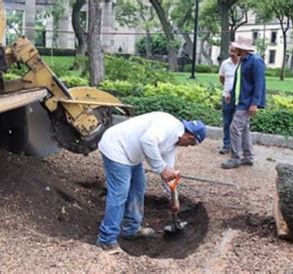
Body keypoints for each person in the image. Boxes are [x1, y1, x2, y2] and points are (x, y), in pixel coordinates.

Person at [96, 112, 206, 253]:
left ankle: (131, 229)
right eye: (190, 145)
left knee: (138, 189)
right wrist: (161, 169)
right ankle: (106, 240)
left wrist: (174, 199)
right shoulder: (168, 127)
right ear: (190, 137)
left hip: (131, 154)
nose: (187, 147)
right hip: (116, 147)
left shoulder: (174, 142)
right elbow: (147, 141)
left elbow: (169, 172)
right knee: (119, 194)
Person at [221, 36, 266, 169]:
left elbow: (259, 84)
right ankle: (248, 157)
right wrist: (231, 94)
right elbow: (239, 81)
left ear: (242, 48)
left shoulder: (256, 61)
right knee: (244, 129)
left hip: (247, 102)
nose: (234, 49)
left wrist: (254, 103)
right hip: (241, 100)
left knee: (234, 128)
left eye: (237, 47)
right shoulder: (243, 61)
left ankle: (236, 158)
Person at [218, 45, 240, 154]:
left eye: (234, 51)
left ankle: (237, 146)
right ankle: (226, 144)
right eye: (230, 51)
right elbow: (222, 78)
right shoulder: (225, 64)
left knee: (238, 124)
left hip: (240, 98)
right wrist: (228, 90)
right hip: (227, 97)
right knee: (227, 122)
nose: (232, 53)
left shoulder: (242, 64)